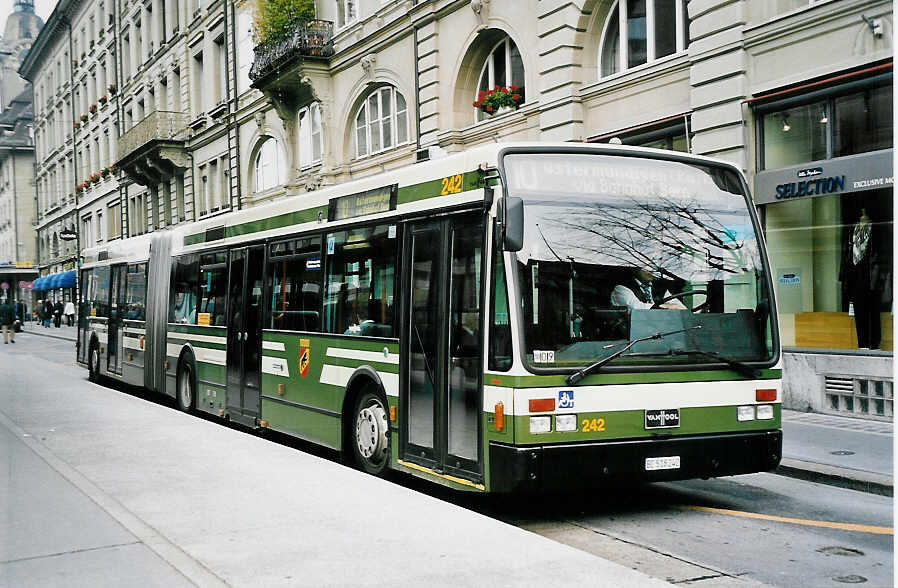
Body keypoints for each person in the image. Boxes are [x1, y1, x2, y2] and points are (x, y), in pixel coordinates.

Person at [611, 267, 686, 310]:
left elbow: (677, 305)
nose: (650, 270)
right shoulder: (621, 288)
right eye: (645, 267)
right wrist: (665, 306)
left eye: (652, 267)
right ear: (635, 269)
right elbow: (636, 308)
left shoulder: (660, 288)